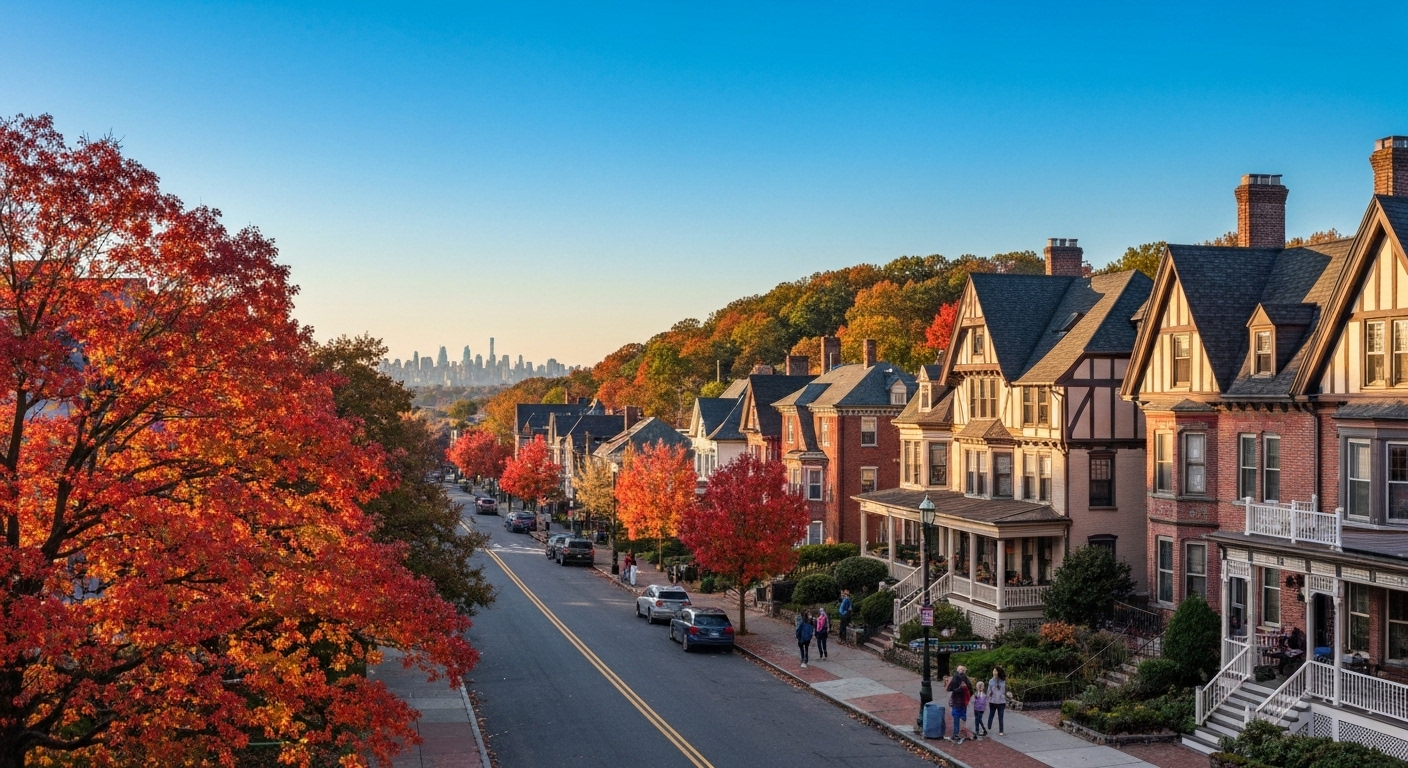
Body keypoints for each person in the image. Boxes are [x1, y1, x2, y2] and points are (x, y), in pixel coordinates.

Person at [947, 670, 970, 743]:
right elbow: (970, 690)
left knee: (956, 718)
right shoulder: (965, 679)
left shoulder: (955, 678)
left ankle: (956, 734)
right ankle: (963, 732)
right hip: (964, 703)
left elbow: (949, 689)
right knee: (963, 717)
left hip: (957, 703)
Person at [987, 666, 1007, 736]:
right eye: (993, 671)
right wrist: (988, 696)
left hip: (1001, 701)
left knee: (1000, 716)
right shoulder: (991, 681)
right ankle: (989, 725)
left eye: (996, 671)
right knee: (991, 714)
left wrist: (1005, 695)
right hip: (992, 700)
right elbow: (989, 691)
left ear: (999, 672)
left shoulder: (1003, 681)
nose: (994, 672)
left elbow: (1004, 690)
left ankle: (1001, 730)